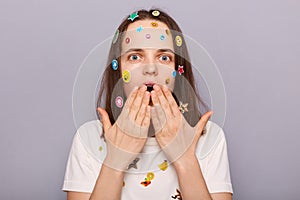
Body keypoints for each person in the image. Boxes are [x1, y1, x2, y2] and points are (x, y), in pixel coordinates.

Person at [62, 9, 233, 200]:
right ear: (118, 71)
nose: (151, 69)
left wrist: (185, 160)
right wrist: (115, 161)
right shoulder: (89, 139)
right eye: (135, 57)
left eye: (164, 57)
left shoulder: (209, 138)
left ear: (178, 70)